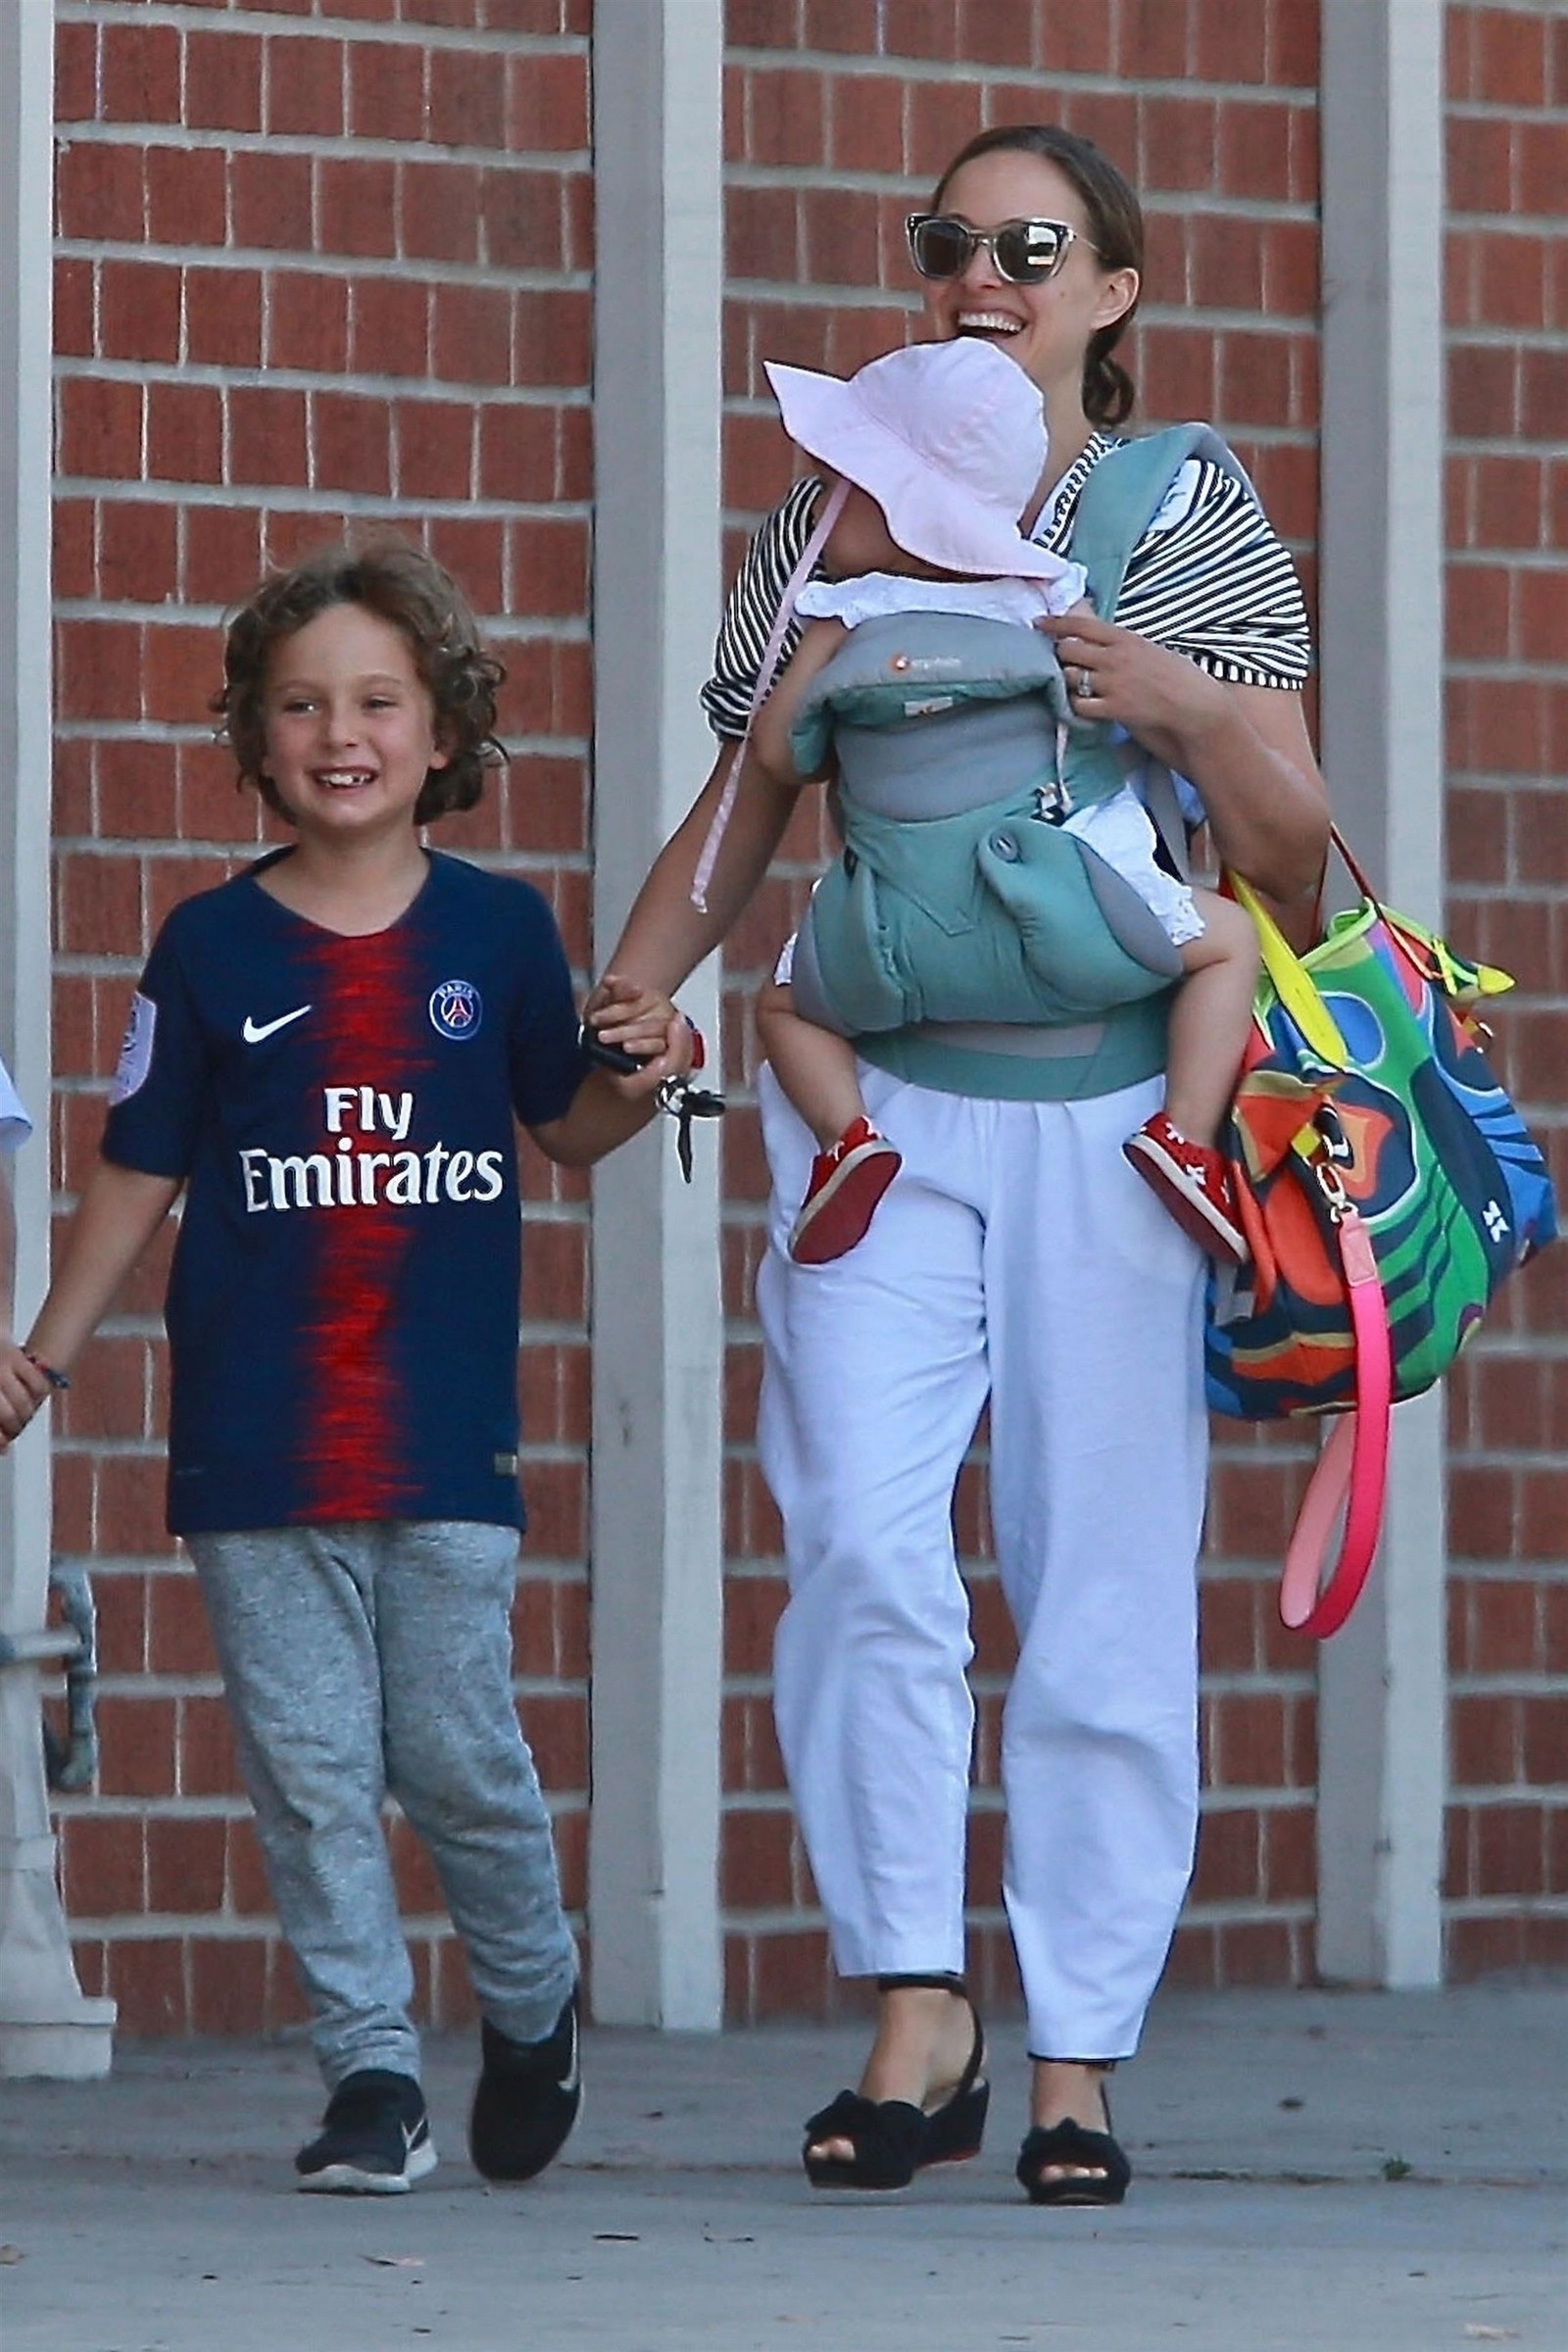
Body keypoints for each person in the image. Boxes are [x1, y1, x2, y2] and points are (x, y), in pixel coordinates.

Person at [590, 123, 1329, 2205]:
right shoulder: (835, 499)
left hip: (1115, 1120)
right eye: (948, 243)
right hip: (884, 1112)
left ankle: (1077, 2048)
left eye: (1030, 245)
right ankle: (916, 2004)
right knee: (855, 1542)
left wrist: (1183, 707)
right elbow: (745, 807)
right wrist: (630, 993)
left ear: (1113, 289)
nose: (981, 276)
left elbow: (1288, 850)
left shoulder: (1174, 502)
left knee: (1099, 1583)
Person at [0, 540, 692, 2195]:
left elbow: (569, 1125)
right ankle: (372, 2074)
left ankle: (530, 2002)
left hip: (441, 1432)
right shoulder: (208, 949)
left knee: (455, 1752)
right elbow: (138, 1170)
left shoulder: (499, 933)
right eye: (302, 705)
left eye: (379, 702)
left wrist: (651, 1071)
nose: (341, 735)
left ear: (442, 733)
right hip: (255, 1438)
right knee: (310, 1772)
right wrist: (41, 1357)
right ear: (256, 736)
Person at [747, 336, 1260, 1265]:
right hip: (1071, 917)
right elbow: (1094, 718)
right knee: (1229, 945)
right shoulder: (1053, 598)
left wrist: (821, 636)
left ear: (902, 506)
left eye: (840, 484)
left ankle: (847, 1138)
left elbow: (779, 754)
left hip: (887, 940)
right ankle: (1185, 1137)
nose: (819, 502)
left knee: (782, 1005)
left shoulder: (845, 618)